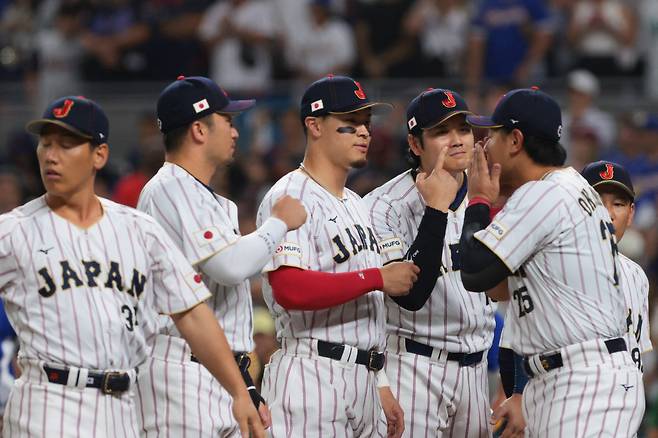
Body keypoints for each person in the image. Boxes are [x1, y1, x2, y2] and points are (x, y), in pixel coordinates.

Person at [0, 95, 264, 437]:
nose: (51, 155)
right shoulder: (13, 231)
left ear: (100, 155)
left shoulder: (139, 229)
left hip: (122, 406)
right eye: (46, 144)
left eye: (66, 145)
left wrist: (240, 392)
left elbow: (193, 313)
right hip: (49, 400)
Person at [461, 88, 643, 436]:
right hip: (567, 377)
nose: (483, 146)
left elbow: (474, 272)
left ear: (515, 140)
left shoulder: (543, 193)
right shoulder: (568, 185)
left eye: (492, 135)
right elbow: (497, 288)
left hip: (584, 379)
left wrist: (480, 200)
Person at [135, 75, 307, 436]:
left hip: (219, 370)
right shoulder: (170, 187)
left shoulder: (203, 196)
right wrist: (278, 224)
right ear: (199, 129)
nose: (235, 131)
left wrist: (243, 386)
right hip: (182, 369)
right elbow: (232, 267)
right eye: (227, 121)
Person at [256, 75, 420, 437]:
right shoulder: (290, 195)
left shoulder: (357, 204)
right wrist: (377, 278)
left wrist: (381, 382)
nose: (364, 132)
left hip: (363, 378)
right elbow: (289, 288)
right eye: (350, 124)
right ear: (314, 125)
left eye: (366, 123)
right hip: (312, 373)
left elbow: (368, 312)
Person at [364, 88, 495, 436]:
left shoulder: (489, 194)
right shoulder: (383, 207)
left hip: (477, 369)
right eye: (441, 132)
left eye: (463, 129)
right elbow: (409, 295)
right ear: (416, 144)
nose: (457, 140)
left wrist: (515, 385)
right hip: (413, 366)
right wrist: (435, 211)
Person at [581, 161, 652, 371]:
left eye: (618, 204)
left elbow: (637, 352)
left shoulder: (637, 276)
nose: (608, 213)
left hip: (627, 396)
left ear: (630, 214)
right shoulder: (554, 267)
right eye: (598, 203)